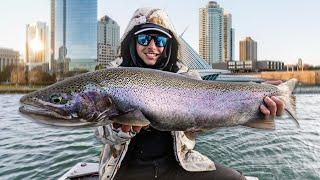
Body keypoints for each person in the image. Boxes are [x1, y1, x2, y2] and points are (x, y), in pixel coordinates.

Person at [95, 8, 284, 180]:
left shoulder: (188, 77)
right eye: (144, 39)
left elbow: (202, 124)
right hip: (128, 168)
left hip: (179, 165)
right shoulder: (112, 76)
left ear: (168, 44)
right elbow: (102, 134)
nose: (152, 47)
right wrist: (120, 129)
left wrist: (257, 109)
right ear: (132, 41)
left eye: (160, 40)